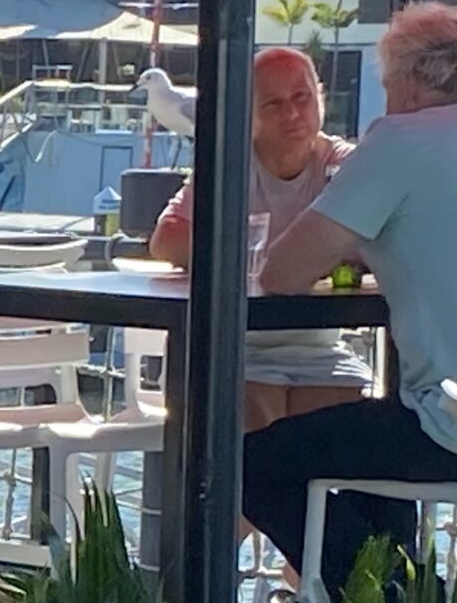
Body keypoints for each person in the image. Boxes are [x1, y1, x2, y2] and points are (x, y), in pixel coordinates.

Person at [245, 0, 457, 595]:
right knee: (368, 447)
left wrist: (365, 241)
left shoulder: (400, 140)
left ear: (404, 82)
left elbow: (282, 273)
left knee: (256, 463)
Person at [150, 44, 370, 429]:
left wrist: (259, 256)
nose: (292, 113)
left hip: (318, 347)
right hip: (239, 344)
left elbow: (376, 241)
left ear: (319, 98)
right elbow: (167, 238)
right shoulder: (229, 165)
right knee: (259, 432)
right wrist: (287, 260)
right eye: (273, 104)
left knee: (344, 430)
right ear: (249, 115)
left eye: (301, 97)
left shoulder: (343, 165)